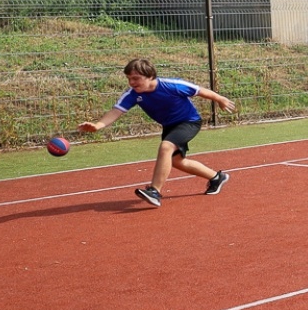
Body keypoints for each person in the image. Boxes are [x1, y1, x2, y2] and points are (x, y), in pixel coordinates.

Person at [80, 58, 237, 207]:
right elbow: (116, 111)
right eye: (129, 79)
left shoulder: (171, 85)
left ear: (150, 76)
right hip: (169, 126)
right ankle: (217, 177)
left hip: (189, 122)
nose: (132, 82)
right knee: (177, 161)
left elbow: (199, 90)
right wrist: (98, 125)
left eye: (136, 78)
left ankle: (154, 191)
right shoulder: (133, 94)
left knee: (166, 147)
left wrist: (220, 99)